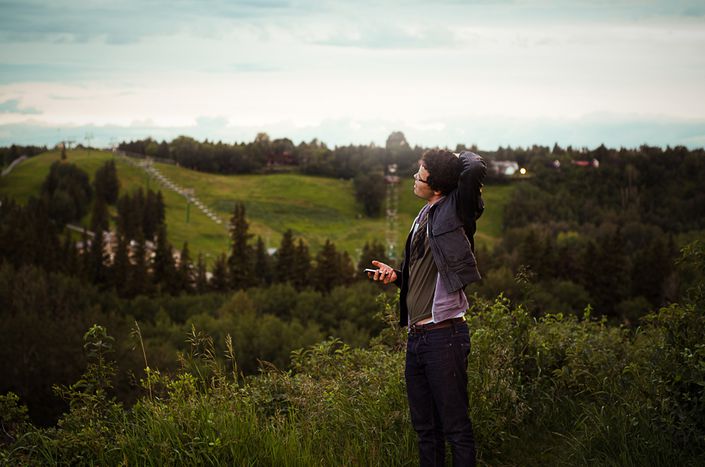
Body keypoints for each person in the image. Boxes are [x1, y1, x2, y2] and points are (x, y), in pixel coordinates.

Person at [369, 149, 486, 466]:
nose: (414, 179)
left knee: (456, 429)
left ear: (436, 186)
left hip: (444, 336)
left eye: (419, 175)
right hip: (418, 338)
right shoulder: (422, 216)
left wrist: (455, 156)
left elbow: (474, 168)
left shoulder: (456, 210)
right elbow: (420, 276)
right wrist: (395, 277)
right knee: (426, 430)